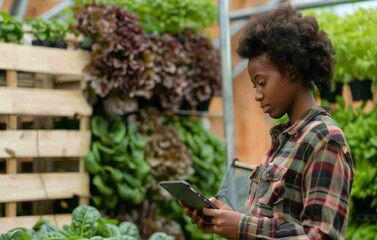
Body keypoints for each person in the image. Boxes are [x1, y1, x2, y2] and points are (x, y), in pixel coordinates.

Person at [181, 4, 354, 239]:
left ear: (291, 70)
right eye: (254, 86)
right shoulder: (285, 140)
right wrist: (227, 220)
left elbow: (322, 235)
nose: (257, 94)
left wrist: (242, 228)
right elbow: (272, 222)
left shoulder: (325, 139)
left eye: (262, 82)